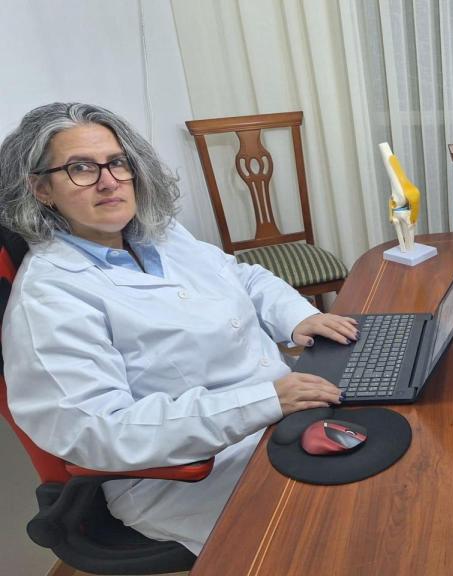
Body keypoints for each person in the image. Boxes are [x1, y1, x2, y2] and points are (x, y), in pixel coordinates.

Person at [0, 103, 357, 554]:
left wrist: (295, 314)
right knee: (343, 534)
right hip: (191, 471)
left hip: (278, 412)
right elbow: (98, 431)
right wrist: (263, 401)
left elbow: (240, 274)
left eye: (117, 163)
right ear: (41, 188)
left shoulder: (156, 233)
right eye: (80, 168)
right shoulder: (49, 298)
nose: (109, 180)